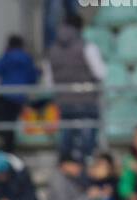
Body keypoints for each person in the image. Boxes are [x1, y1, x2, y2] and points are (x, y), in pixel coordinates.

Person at [46, 14, 104, 161]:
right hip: (86, 101)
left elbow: (49, 82)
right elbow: (100, 73)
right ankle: (86, 169)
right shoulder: (87, 46)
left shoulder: (51, 50)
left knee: (66, 139)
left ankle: (66, 168)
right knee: (88, 145)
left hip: (64, 102)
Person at [0, 35, 40, 153]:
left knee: (3, 119)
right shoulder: (27, 58)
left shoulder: (7, 57)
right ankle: (10, 149)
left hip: (6, 95)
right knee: (12, 123)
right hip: (20, 97)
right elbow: (33, 78)